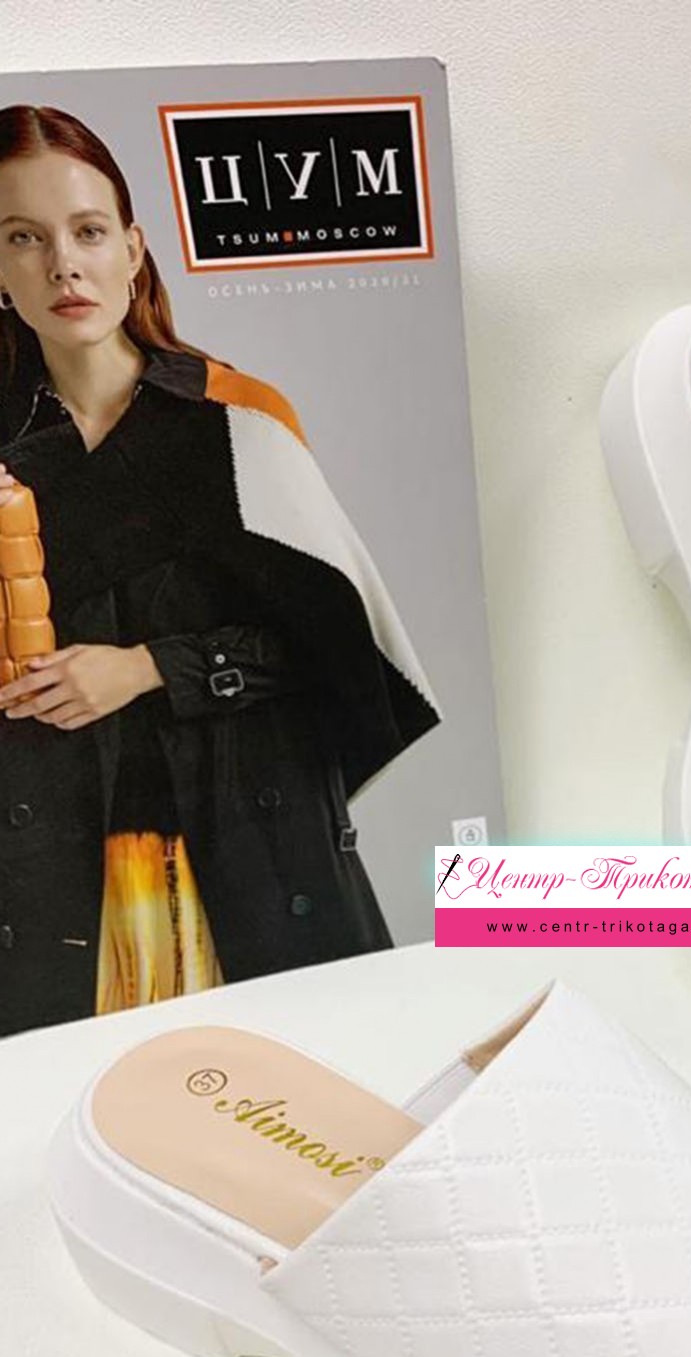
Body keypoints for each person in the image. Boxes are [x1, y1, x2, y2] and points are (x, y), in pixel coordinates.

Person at [0, 104, 440, 1037]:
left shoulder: (237, 421)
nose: (62, 265)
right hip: (45, 885)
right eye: (23, 238)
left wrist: (147, 667)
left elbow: (338, 656)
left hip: (245, 852)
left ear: (133, 249)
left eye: (87, 231)